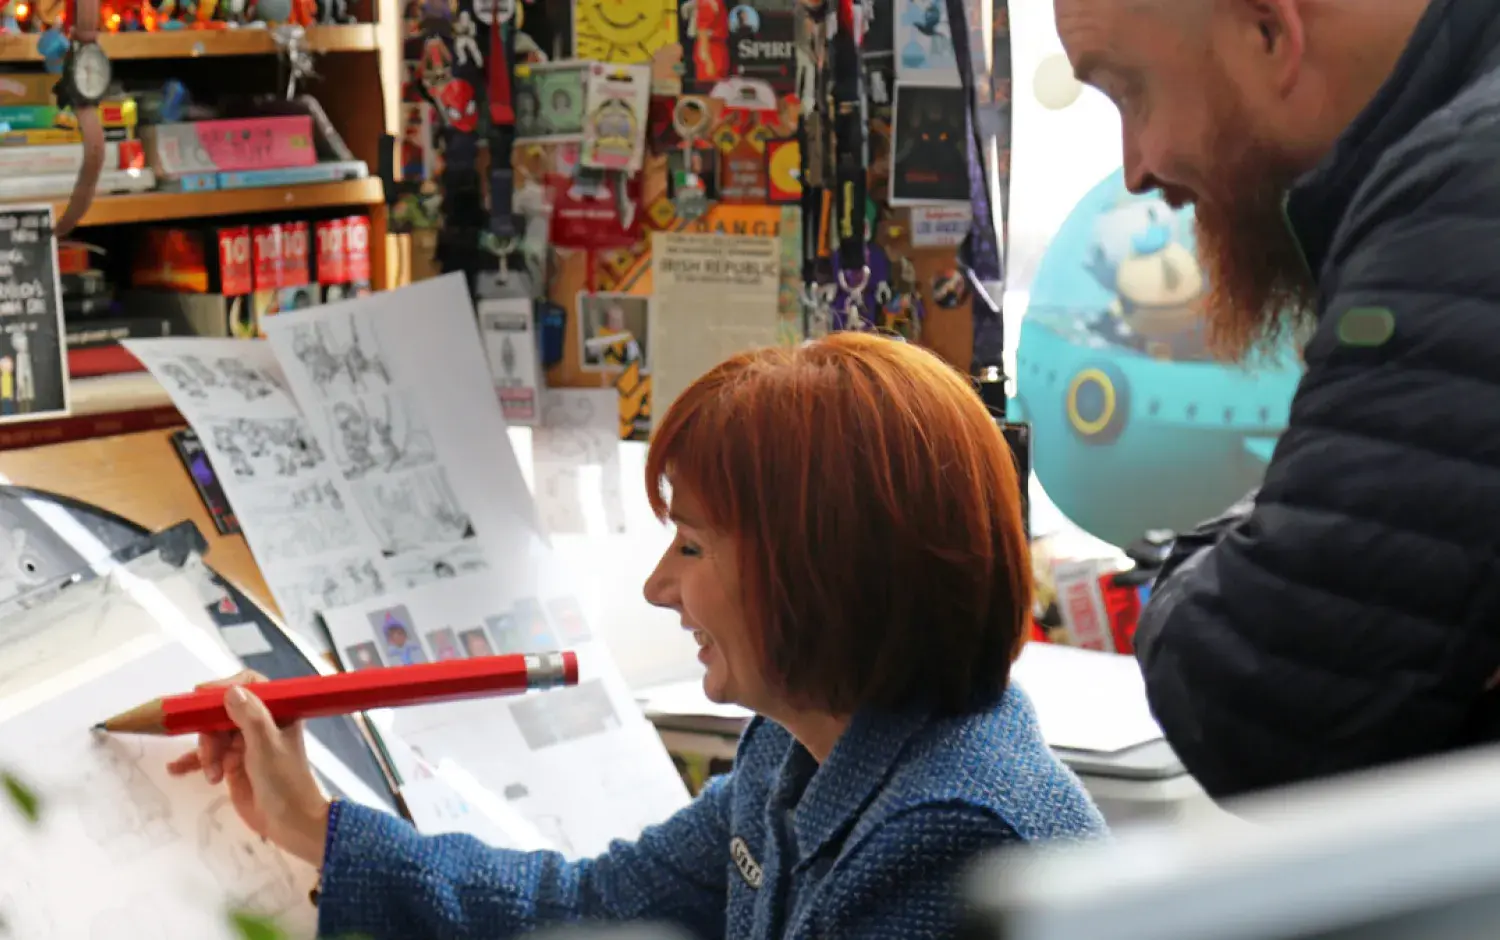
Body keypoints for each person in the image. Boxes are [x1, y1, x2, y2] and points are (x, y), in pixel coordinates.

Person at [166, 333, 1107, 939]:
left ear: (822, 568)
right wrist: (318, 829)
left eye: (692, 545)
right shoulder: (797, 746)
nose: (660, 587)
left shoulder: (948, 839)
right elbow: (590, 906)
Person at [1054, 0, 1500, 801]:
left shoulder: (1470, 190)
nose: (1136, 167)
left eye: (1131, 94)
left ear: (1269, 32)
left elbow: (1258, 696)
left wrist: (1193, 560)